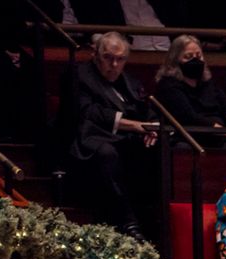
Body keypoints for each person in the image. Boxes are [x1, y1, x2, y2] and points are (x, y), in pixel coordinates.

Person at [57, 31, 160, 239]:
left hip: (124, 139)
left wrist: (153, 129)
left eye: (120, 59)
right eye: (108, 58)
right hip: (87, 140)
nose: (114, 65)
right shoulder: (78, 74)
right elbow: (88, 112)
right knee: (107, 153)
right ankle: (128, 221)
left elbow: (147, 110)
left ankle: (154, 222)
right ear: (96, 54)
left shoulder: (129, 81)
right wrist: (133, 125)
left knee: (158, 150)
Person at [154, 35, 226, 139]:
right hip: (191, 137)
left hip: (220, 133)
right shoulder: (168, 86)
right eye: (188, 57)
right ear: (175, 60)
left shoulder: (208, 82)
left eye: (198, 56)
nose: (195, 60)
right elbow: (190, 117)